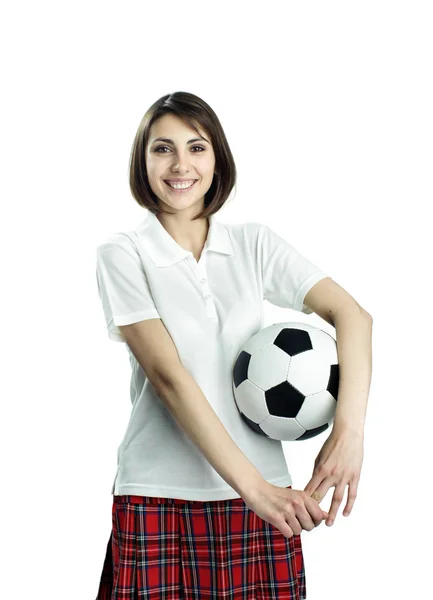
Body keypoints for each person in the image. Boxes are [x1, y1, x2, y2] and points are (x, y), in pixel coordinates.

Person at [95, 91, 331, 599]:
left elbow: (355, 317)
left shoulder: (252, 244)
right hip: (161, 493)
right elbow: (169, 376)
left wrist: (347, 438)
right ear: (142, 161)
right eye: (162, 149)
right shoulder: (124, 253)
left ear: (217, 157)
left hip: (262, 493)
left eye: (196, 147)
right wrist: (258, 490)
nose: (180, 164)